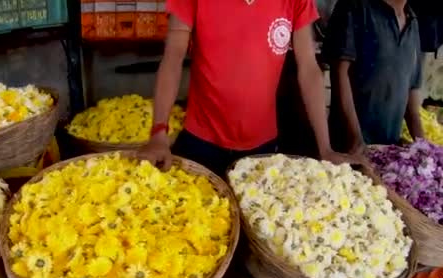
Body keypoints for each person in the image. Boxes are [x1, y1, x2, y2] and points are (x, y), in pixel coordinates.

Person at [138, 0, 353, 176]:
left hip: (262, 149)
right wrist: (159, 132)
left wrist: (325, 148)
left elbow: (308, 69)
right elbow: (173, 57)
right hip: (201, 143)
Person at [324, 0, 424, 153]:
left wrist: (424, 147)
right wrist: (356, 139)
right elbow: (339, 73)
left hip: (386, 150)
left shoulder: (413, 22)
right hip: (346, 148)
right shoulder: (355, 7)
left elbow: (411, 92)